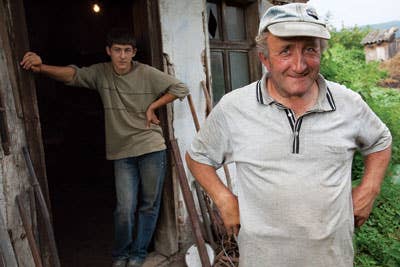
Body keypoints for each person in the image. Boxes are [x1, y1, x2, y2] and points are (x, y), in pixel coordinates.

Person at [186, 3, 391, 267]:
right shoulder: (234, 108)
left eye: (310, 49)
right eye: (285, 51)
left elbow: (380, 141)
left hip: (332, 258)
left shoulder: (348, 103)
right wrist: (224, 199)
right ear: (264, 58)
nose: (299, 64)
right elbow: (197, 157)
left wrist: (369, 189)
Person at [21, 28, 189, 267]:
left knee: (149, 205)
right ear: (108, 51)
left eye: (127, 51)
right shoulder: (101, 73)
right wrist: (42, 68)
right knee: (124, 208)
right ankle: (121, 255)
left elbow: (181, 88)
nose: (122, 56)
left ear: (134, 53)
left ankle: (138, 254)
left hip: (151, 147)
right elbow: (73, 75)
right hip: (121, 151)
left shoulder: (147, 73)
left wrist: (152, 107)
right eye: (117, 50)